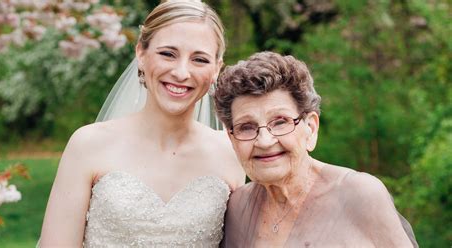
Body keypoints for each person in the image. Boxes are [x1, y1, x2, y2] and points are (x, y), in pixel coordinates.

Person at [39, 0, 245, 246]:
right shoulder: (88, 145)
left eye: (199, 59)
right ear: (141, 53)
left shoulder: (231, 152)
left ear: (216, 69)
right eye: (168, 54)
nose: (181, 73)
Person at [214, 51, 418, 247]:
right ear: (232, 139)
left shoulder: (360, 194)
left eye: (280, 122)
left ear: (310, 128)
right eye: (246, 127)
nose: (265, 141)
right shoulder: (236, 209)